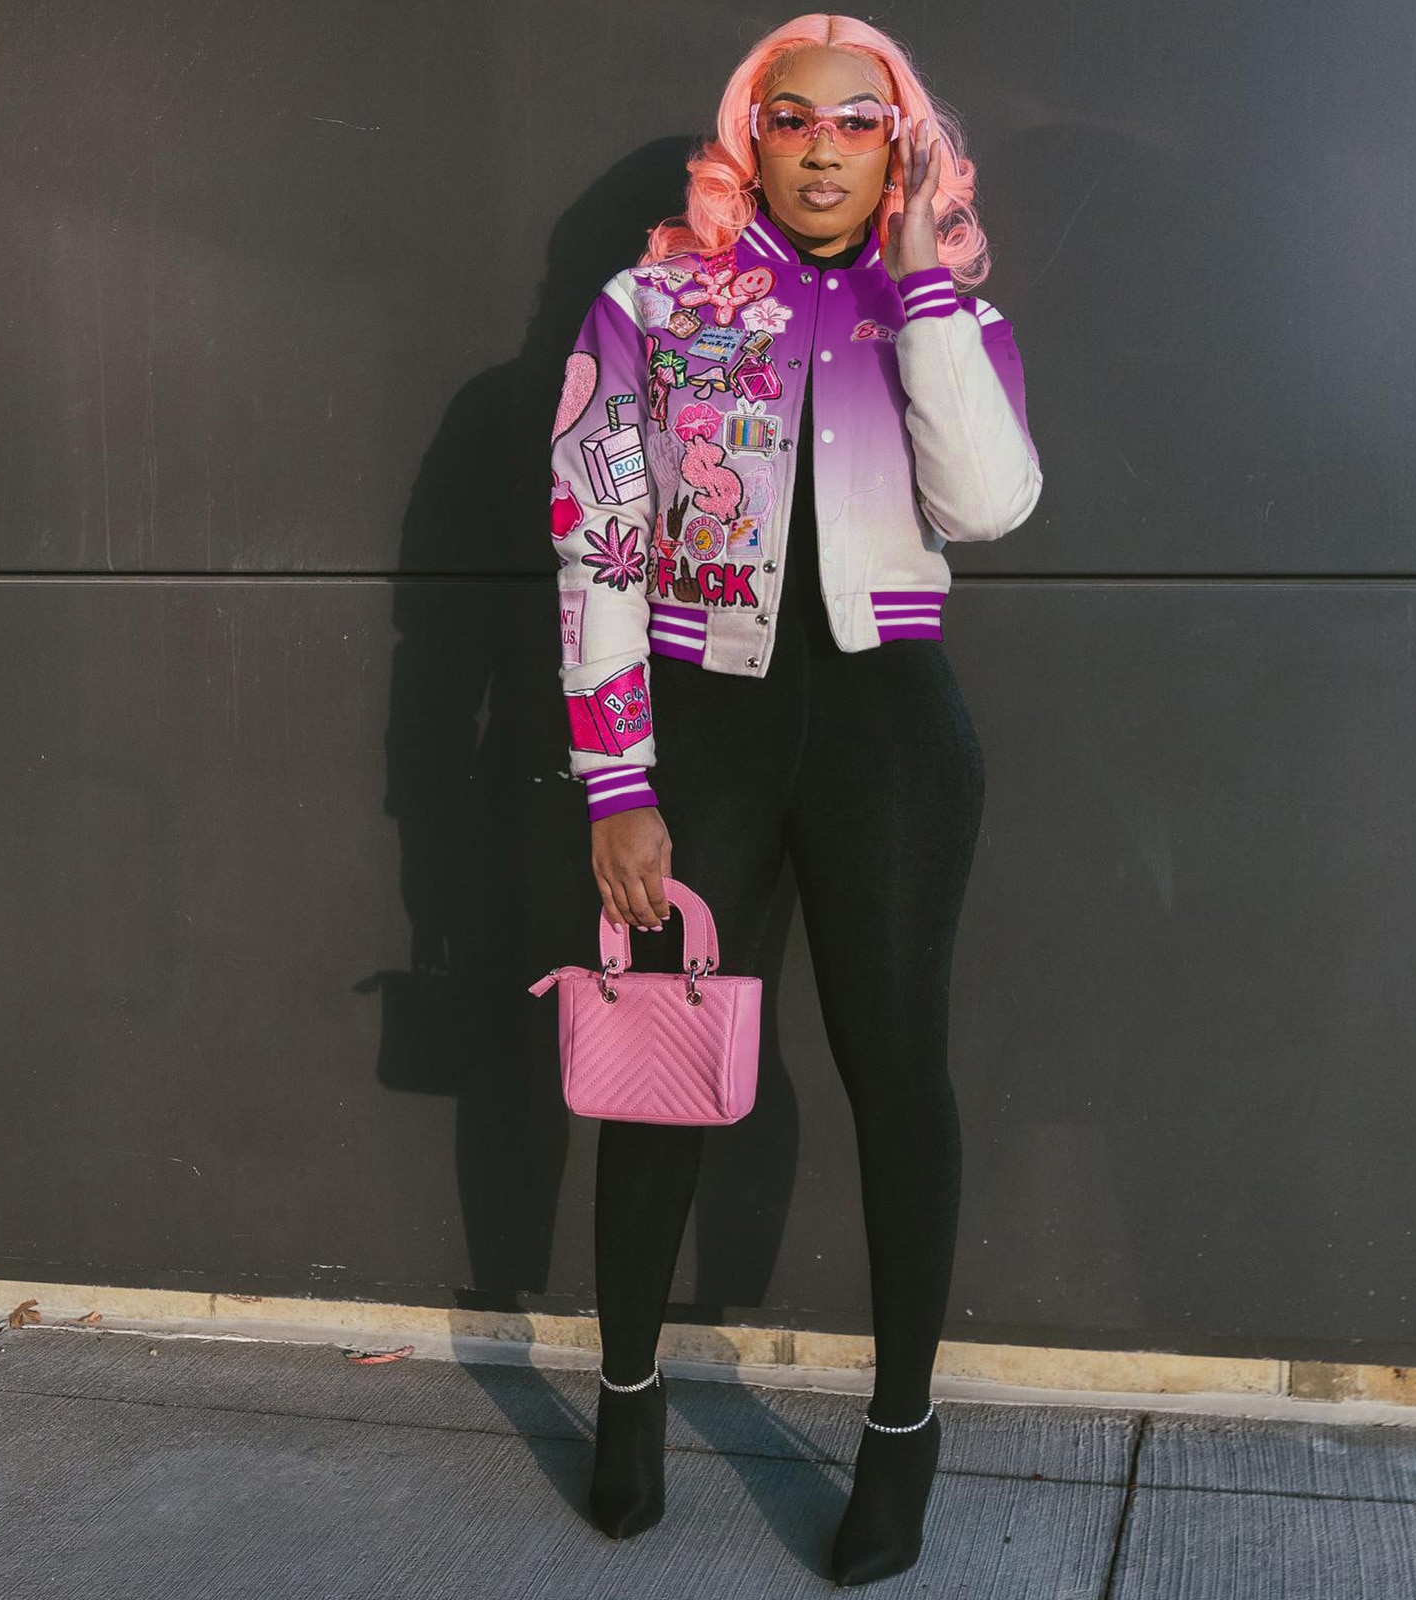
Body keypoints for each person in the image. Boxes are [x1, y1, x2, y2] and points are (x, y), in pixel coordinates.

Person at [546, 13, 1041, 1586]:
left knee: (899, 1073)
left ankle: (901, 1432)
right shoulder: (648, 307)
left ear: (903, 147)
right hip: (701, 728)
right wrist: (618, 779)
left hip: (893, 732)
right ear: (746, 139)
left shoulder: (949, 311)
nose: (824, 147)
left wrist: (926, 287)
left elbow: (990, 504)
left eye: (859, 120)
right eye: (792, 117)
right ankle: (631, 1396)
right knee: (659, 1067)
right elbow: (598, 545)